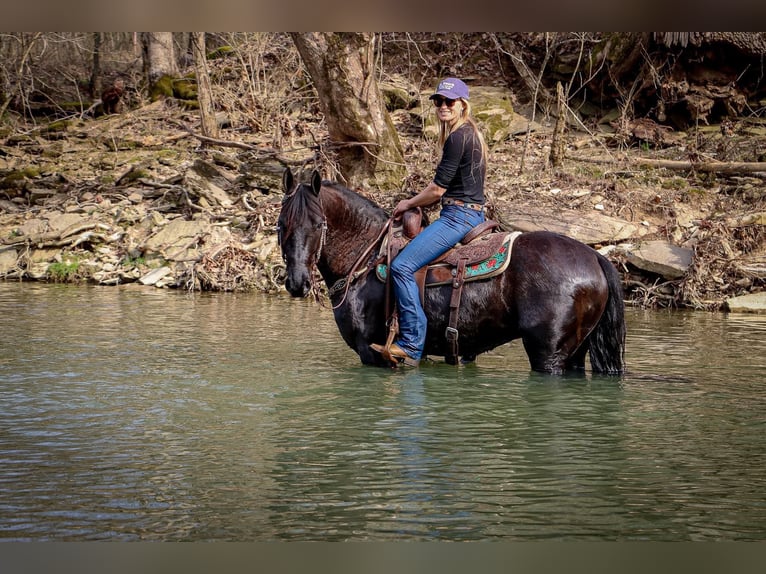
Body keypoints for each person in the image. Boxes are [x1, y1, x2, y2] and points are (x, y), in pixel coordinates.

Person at [371, 77, 488, 367]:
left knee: (401, 267)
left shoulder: (458, 137)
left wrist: (409, 203)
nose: (443, 106)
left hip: (458, 217)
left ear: (463, 104)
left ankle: (411, 343)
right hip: (471, 212)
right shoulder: (471, 135)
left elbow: (437, 190)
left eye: (449, 102)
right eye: (439, 101)